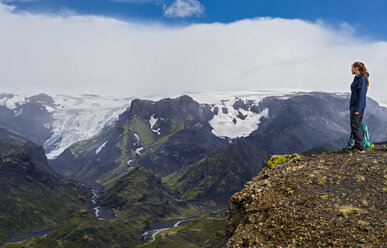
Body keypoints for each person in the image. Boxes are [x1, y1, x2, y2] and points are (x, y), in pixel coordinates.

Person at [349, 61, 369, 152]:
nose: (351, 69)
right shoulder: (357, 78)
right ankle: (358, 145)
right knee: (356, 125)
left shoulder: (362, 79)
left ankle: (360, 148)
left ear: (356, 68)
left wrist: (357, 108)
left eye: (352, 68)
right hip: (354, 104)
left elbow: (361, 95)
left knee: (356, 125)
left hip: (357, 106)